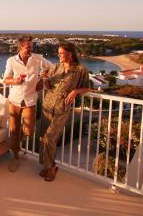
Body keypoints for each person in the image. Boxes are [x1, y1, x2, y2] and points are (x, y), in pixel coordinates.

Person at [38, 42, 91, 181]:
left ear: (70, 54)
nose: (59, 55)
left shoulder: (80, 70)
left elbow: (87, 88)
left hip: (62, 108)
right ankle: (47, 165)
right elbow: (48, 86)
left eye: (61, 53)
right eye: (59, 53)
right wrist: (44, 78)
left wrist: (75, 91)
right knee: (43, 136)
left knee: (50, 137)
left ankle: (51, 168)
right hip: (48, 104)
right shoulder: (55, 67)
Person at [3, 36, 52, 172]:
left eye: (31, 46)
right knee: (14, 129)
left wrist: (43, 77)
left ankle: (17, 144)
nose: (31, 48)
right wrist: (15, 81)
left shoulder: (37, 58)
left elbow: (51, 67)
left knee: (29, 129)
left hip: (30, 99)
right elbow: (5, 80)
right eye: (28, 46)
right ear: (21, 47)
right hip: (14, 99)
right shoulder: (12, 61)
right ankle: (16, 155)